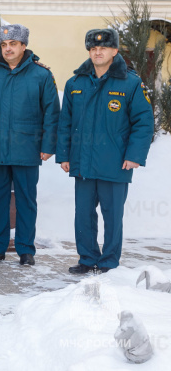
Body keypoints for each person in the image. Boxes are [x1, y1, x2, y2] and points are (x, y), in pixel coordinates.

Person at [57, 29, 153, 274]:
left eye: (103, 48)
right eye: (93, 49)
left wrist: (134, 156)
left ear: (114, 51)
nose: (97, 52)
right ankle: (87, 259)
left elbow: (143, 122)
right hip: (83, 162)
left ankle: (109, 262)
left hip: (115, 162)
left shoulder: (131, 83)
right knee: (84, 216)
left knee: (112, 216)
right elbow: (65, 122)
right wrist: (64, 154)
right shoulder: (75, 83)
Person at [0, 24, 60, 266]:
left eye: (13, 44)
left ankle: (25, 250)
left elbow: (52, 113)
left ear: (24, 46)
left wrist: (48, 145)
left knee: (26, 200)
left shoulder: (41, 75)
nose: (7, 49)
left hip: (27, 148)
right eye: (3, 45)